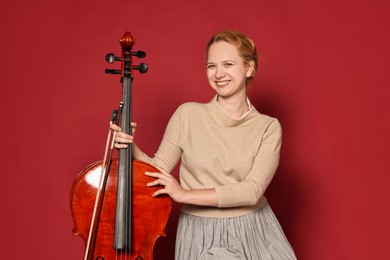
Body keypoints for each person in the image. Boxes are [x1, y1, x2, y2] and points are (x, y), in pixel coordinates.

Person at [112, 30, 297, 260]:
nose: (219, 74)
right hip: (201, 231)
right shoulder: (187, 114)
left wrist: (184, 195)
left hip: (255, 228)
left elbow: (251, 191)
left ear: (249, 68)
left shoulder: (268, 127)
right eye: (212, 66)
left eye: (228, 64)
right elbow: (156, 172)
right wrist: (130, 146)